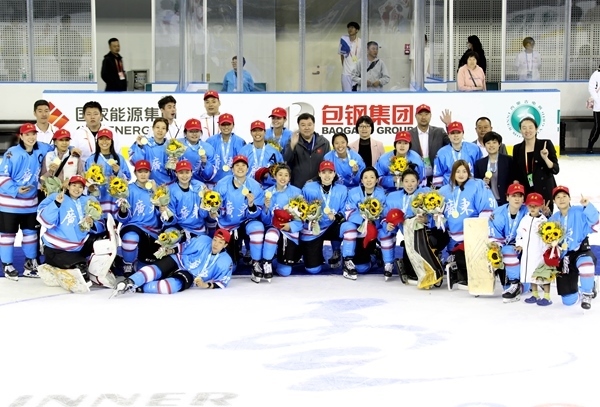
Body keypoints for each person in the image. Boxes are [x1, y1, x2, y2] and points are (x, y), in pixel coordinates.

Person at [110, 229, 234, 297]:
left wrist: (205, 285)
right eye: (215, 240)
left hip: (190, 274)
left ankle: (138, 288)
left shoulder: (226, 261)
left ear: (225, 245)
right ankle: (129, 282)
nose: (215, 244)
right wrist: (170, 250)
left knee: (169, 287)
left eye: (220, 242)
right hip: (179, 260)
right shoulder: (203, 240)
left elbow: (221, 282)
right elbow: (184, 247)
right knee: (153, 270)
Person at [0, 123, 53, 280]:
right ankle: (7, 265)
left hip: (31, 204)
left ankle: (30, 265)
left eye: (33, 134)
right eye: (27, 134)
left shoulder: (42, 148)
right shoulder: (12, 153)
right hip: (10, 205)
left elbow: (58, 148)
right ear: (21, 136)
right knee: (8, 236)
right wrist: (16, 189)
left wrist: (71, 149)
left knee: (31, 234)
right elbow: (2, 176)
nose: (31, 137)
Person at [37, 175, 106, 282]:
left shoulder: (88, 200)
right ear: (68, 186)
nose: (77, 189)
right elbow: (45, 220)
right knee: (81, 269)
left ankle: (82, 265)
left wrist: (92, 223)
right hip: (57, 249)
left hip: (80, 247)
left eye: (80, 187)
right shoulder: (56, 197)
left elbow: (101, 223)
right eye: (74, 185)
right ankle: (55, 265)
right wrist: (56, 203)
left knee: (104, 243)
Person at [438, 160, 496, 288]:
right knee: (456, 253)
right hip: (452, 234)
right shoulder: (443, 190)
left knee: (469, 256)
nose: (461, 174)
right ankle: (456, 270)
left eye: (464, 171)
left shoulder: (477, 185)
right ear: (453, 173)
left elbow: (486, 205)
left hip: (473, 233)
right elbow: (437, 212)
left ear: (469, 173)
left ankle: (472, 276)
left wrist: (479, 228)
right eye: (458, 171)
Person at [213, 155, 265, 282]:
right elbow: (215, 207)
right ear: (232, 168)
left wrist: (251, 205)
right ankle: (236, 253)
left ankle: (256, 263)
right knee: (232, 267)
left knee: (257, 228)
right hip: (227, 226)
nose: (240, 168)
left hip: (244, 223)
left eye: (243, 165)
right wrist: (215, 211)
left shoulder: (255, 186)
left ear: (248, 168)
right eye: (237, 165)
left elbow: (256, 213)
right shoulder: (222, 184)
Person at [549, 186, 599, 309]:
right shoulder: (553, 218)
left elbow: (595, 221)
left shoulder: (580, 210)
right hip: (565, 257)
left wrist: (587, 206)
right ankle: (583, 286)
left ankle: (587, 291)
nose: (561, 199)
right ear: (554, 201)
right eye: (558, 197)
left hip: (581, 251)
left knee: (586, 264)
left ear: (569, 198)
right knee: (568, 301)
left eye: (564, 196)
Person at [301, 161, 350, 276]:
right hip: (315, 227)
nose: (327, 175)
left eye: (330, 172)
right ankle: (313, 254)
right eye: (324, 172)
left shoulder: (342, 190)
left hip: (333, 225)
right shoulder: (308, 188)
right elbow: (302, 209)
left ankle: (339, 253)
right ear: (319, 174)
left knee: (347, 227)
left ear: (334, 174)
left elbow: (345, 209)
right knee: (313, 270)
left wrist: (337, 216)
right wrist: (309, 220)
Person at [117, 159, 162, 276]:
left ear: (150, 173)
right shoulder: (128, 189)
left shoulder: (155, 189)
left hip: (152, 231)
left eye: (146, 171)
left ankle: (136, 260)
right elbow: (122, 219)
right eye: (140, 171)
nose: (143, 174)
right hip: (133, 226)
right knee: (130, 239)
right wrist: (123, 209)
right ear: (135, 173)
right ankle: (127, 263)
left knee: (146, 269)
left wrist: (156, 192)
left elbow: (163, 215)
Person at [343, 167, 387, 279]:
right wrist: (364, 220)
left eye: (372, 177)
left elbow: (384, 213)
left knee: (363, 268)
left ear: (376, 180)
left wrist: (374, 220)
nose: (369, 180)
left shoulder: (381, 194)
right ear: (361, 180)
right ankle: (348, 259)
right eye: (365, 177)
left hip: (373, 229)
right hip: (359, 229)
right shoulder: (353, 193)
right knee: (360, 267)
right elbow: (349, 211)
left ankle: (374, 254)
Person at [260, 164, 304, 278]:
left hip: (289, 233)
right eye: (280, 175)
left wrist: (291, 225)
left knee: (285, 272)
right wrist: (266, 208)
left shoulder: (297, 193)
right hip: (273, 228)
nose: (283, 178)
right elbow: (265, 220)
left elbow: (302, 217)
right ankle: (266, 262)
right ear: (274, 176)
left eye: (286, 175)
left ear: (290, 178)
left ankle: (276, 259)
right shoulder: (267, 193)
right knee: (271, 234)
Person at [488, 183, 529, 303]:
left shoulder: (528, 211)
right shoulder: (498, 214)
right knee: (506, 250)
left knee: (509, 250)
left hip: (525, 247)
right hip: (506, 248)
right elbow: (495, 238)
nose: (517, 199)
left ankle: (516, 284)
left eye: (520, 196)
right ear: (507, 197)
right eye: (514, 195)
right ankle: (515, 284)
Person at [511, 117, 559, 211]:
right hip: (527, 191)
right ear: (520, 130)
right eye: (524, 128)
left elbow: (555, 169)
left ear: (536, 129)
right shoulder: (517, 148)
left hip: (544, 191)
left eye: (530, 127)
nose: (527, 130)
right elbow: (516, 171)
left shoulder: (545, 144)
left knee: (545, 217)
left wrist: (545, 158)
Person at [84, 128, 131, 215]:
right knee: (99, 218)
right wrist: (91, 184)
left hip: (115, 198)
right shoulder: (91, 159)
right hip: (98, 197)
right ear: (97, 141)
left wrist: (118, 172)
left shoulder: (119, 158)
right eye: (101, 139)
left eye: (107, 139)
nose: (104, 142)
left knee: (114, 221)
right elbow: (86, 180)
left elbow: (127, 178)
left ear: (111, 141)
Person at [516, 192, 550, 305]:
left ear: (540, 206)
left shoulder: (544, 221)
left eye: (535, 205)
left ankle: (547, 297)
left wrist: (547, 250)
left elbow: (548, 237)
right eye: (530, 205)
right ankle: (535, 295)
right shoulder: (524, 220)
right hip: (528, 253)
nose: (533, 208)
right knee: (531, 274)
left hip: (540, 253)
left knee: (543, 275)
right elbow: (519, 234)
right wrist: (519, 244)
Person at [162, 160, 209, 238]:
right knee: (169, 237)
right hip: (179, 227)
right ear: (176, 174)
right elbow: (172, 220)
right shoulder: (171, 190)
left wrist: (205, 201)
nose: (184, 176)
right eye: (181, 173)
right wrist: (166, 213)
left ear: (191, 173)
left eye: (187, 172)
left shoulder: (199, 187)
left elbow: (203, 214)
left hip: (198, 228)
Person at [283, 113, 331, 188]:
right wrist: (292, 145)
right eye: (303, 125)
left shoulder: (324, 143)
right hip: (297, 187)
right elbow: (286, 160)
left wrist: (315, 179)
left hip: (318, 186)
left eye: (309, 125)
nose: (306, 128)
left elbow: (328, 165)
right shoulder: (292, 141)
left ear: (314, 125)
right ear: (298, 126)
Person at [408, 104, 449, 186]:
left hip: (436, 176)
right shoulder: (409, 134)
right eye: (420, 114)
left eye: (426, 114)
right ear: (415, 116)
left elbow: (452, 144)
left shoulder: (439, 132)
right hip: (415, 177)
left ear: (430, 116)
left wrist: (449, 125)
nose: (423, 117)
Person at [432, 121, 481, 187]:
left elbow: (479, 169)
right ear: (448, 135)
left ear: (463, 133)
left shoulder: (473, 149)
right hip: (449, 189)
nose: (456, 135)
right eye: (452, 133)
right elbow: (438, 176)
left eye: (458, 132)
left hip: (470, 188)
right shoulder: (441, 153)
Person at [474, 132, 515, 206]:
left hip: (506, 201)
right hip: (487, 202)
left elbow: (513, 180)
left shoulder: (509, 160)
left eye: (494, 142)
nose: (491, 145)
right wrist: (482, 182)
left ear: (499, 144)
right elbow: (476, 183)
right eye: (488, 143)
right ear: (484, 145)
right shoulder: (479, 164)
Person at [205, 113, 247, 186]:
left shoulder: (240, 142)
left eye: (228, 124)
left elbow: (243, 163)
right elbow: (207, 163)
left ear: (233, 125)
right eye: (223, 124)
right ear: (219, 125)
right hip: (213, 183)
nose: (226, 127)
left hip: (234, 183)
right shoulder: (210, 141)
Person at [129, 118, 173, 186]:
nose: (160, 130)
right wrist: (139, 146)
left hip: (167, 184)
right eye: (157, 127)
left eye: (163, 128)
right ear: (153, 128)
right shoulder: (144, 143)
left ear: (167, 131)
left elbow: (175, 169)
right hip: (147, 185)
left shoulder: (171, 146)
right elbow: (136, 162)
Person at [178, 118, 218, 183]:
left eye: (197, 131)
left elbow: (210, 175)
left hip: (200, 184)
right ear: (185, 132)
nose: (194, 134)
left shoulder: (208, 148)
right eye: (191, 131)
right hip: (180, 184)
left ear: (201, 132)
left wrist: (205, 164)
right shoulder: (178, 145)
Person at [54, 15, 83, 82]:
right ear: (62, 23)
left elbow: (80, 49)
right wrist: (60, 60)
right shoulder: (59, 35)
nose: (67, 23)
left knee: (75, 82)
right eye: (65, 21)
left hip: (74, 64)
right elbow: (55, 51)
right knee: (64, 82)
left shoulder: (75, 34)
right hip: (63, 64)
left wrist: (76, 59)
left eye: (68, 21)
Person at [339, 22, 361, 92]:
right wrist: (344, 67)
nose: (350, 29)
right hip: (346, 73)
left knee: (356, 93)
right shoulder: (344, 41)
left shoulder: (361, 42)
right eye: (349, 27)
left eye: (352, 27)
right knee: (346, 94)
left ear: (357, 30)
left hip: (357, 73)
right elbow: (342, 55)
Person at [586, 65, 600, 153]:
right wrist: (597, 100)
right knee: (598, 127)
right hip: (598, 107)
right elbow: (591, 89)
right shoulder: (596, 74)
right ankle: (589, 147)